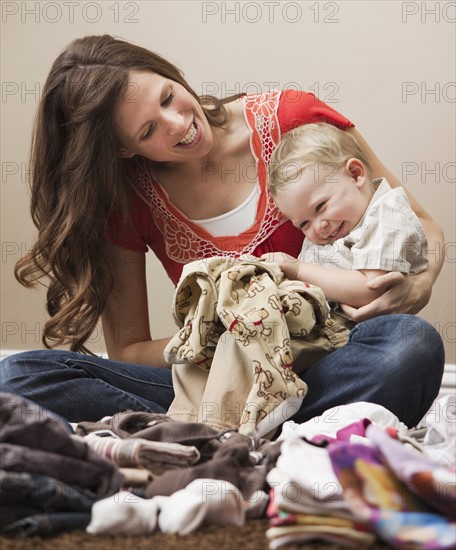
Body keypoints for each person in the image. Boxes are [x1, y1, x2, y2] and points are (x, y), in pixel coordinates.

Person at [0, 34, 445, 429]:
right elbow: (130, 349)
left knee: (409, 344)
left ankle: (220, 438)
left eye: (168, 96)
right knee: (19, 377)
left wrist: (420, 282)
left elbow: (415, 218)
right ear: (122, 149)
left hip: (324, 361)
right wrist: (226, 330)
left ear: (170, 75)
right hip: (210, 383)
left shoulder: (293, 117)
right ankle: (268, 435)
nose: (179, 123)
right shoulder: (126, 199)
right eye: (149, 129)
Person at [266, 122, 429, 313]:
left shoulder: (387, 215)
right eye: (303, 223)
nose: (318, 227)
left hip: (369, 330)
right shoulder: (329, 231)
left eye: (320, 206)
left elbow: (371, 290)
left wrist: (297, 269)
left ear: (355, 174)